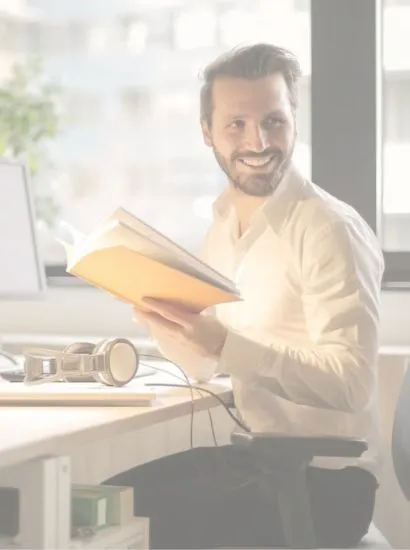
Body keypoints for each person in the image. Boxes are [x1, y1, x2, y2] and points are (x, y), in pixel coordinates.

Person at [104, 43, 384, 548]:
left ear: (294, 119)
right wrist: (163, 319)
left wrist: (224, 344)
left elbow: (352, 384)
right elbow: (211, 365)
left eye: (274, 121)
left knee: (117, 526)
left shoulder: (328, 228)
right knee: (103, 504)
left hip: (325, 484)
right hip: (257, 464)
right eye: (237, 124)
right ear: (206, 132)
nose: (259, 140)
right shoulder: (225, 224)